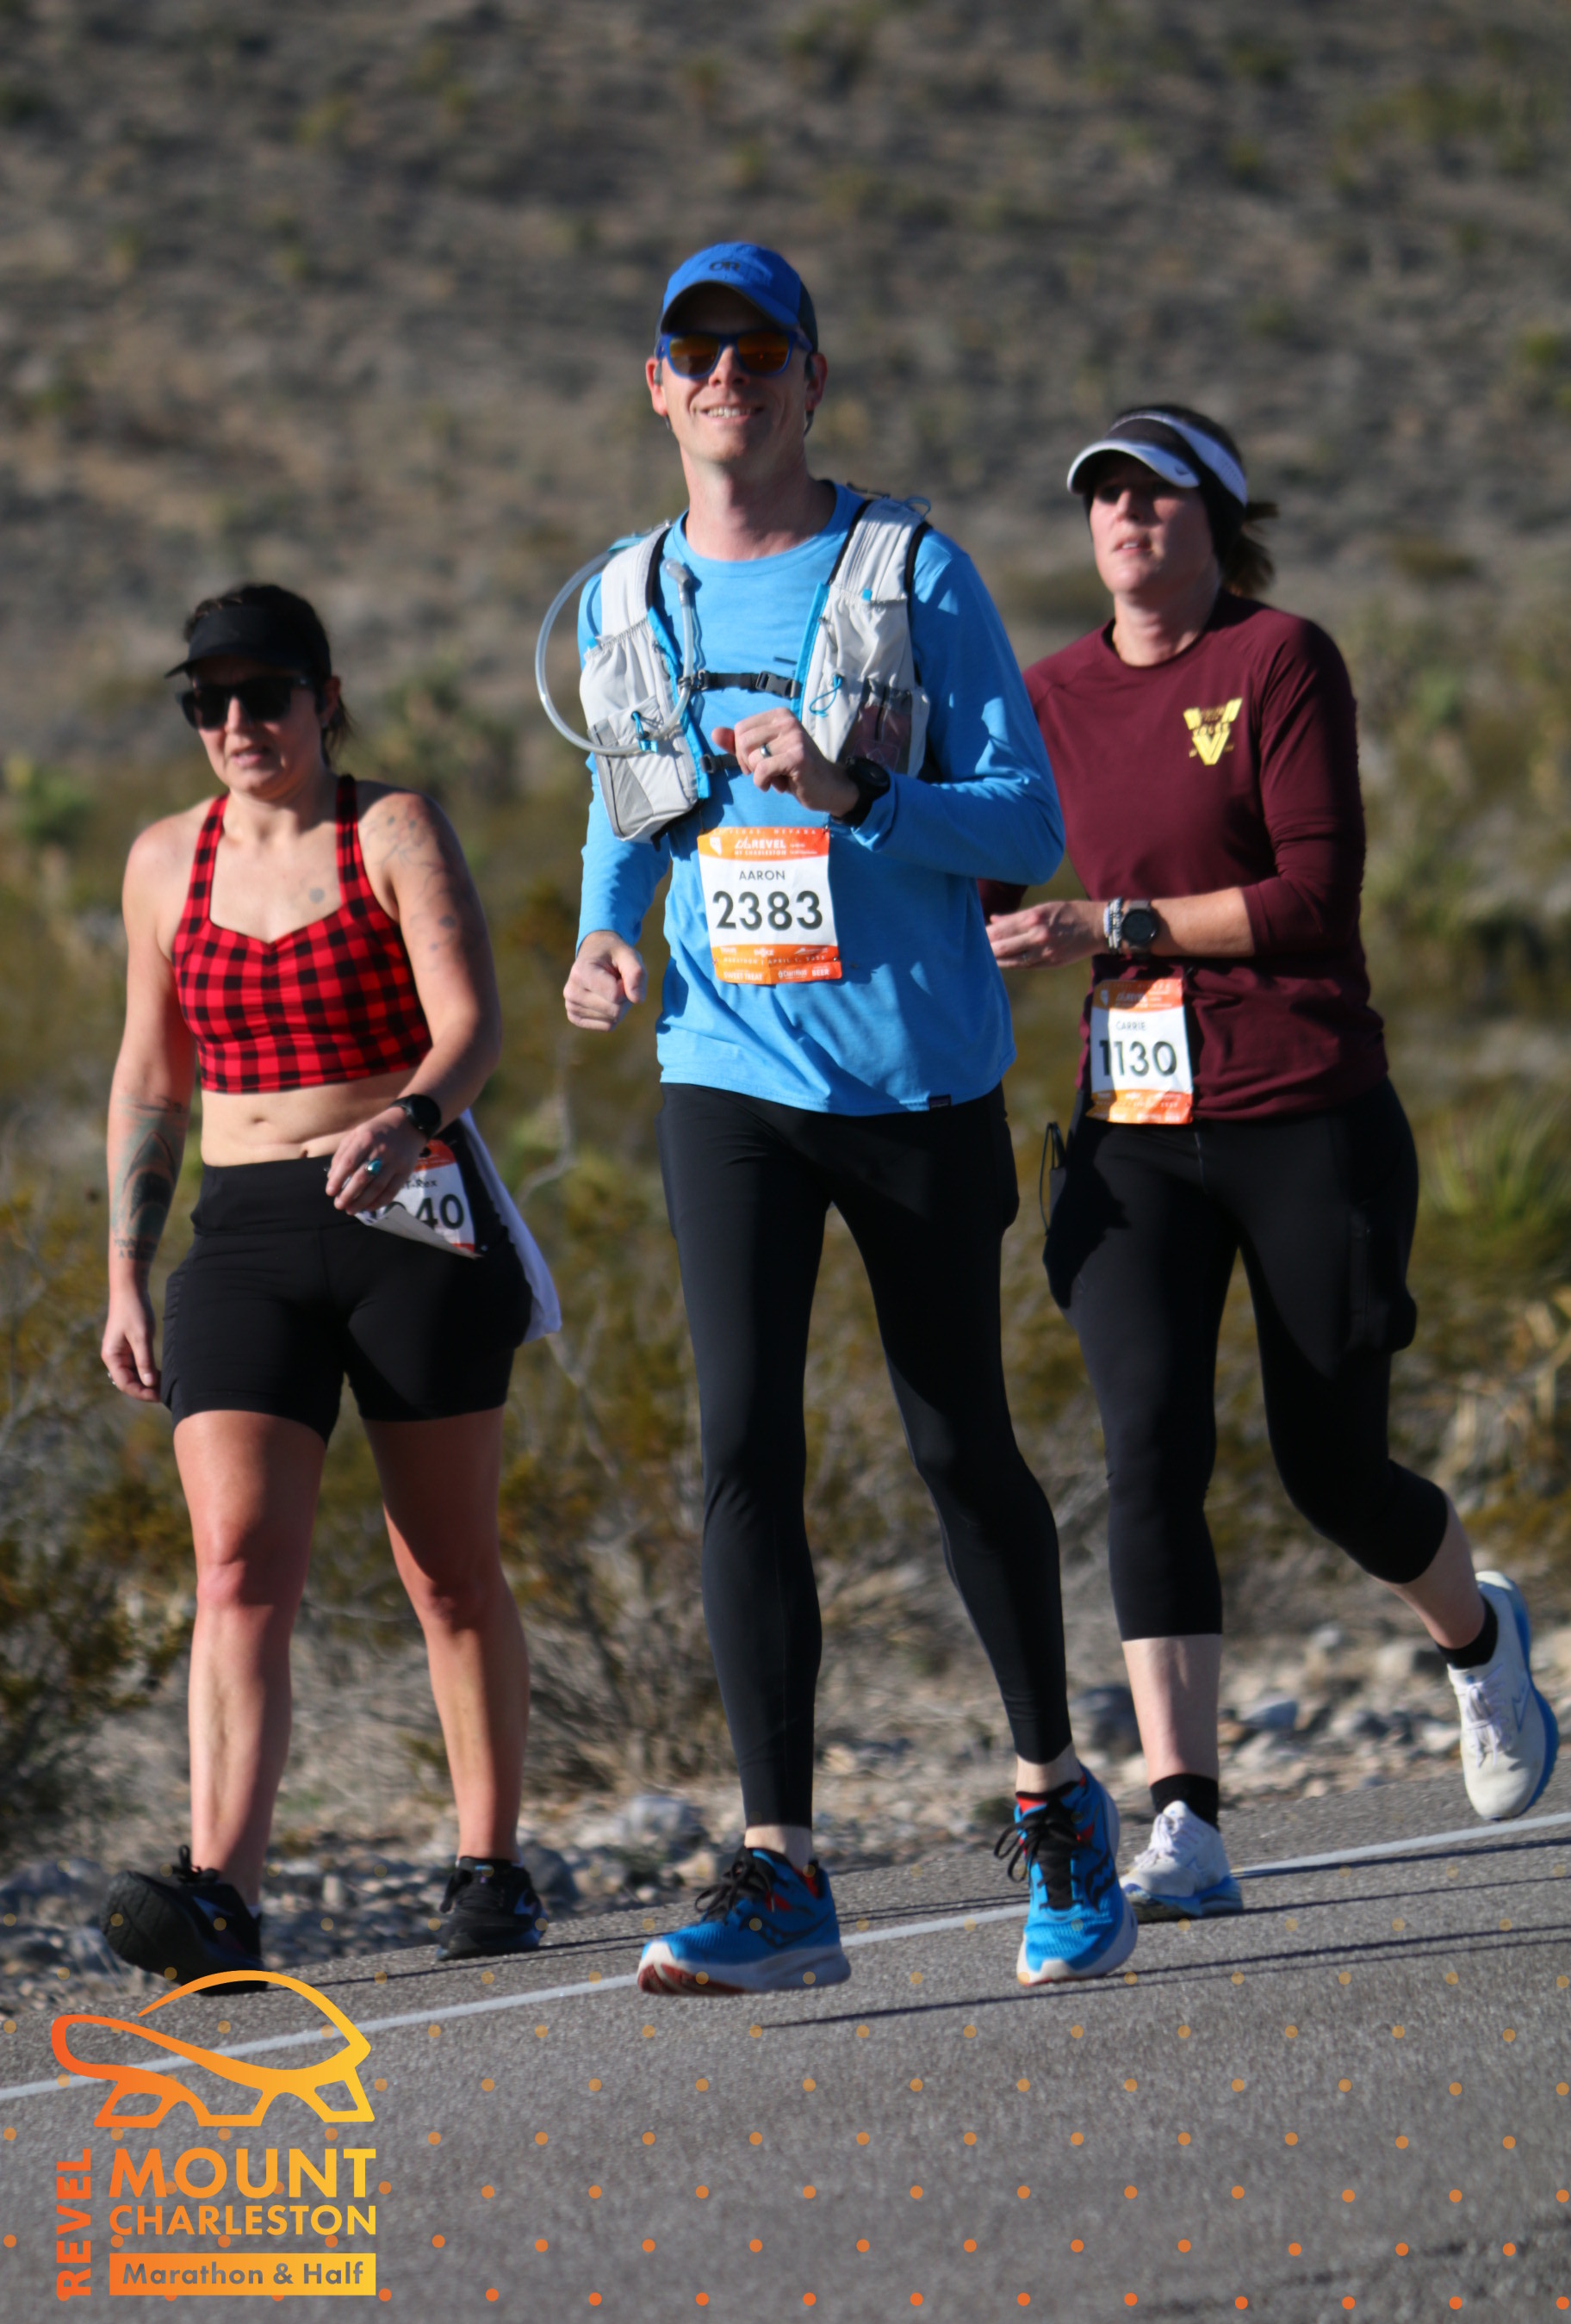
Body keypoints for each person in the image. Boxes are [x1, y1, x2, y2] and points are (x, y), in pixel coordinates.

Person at [558, 240, 1136, 1999]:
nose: (727, 378)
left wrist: (855, 787)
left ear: (811, 381)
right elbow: (625, 803)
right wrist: (603, 936)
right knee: (743, 1447)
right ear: (657, 386)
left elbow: (1025, 827)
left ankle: (1056, 1798)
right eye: (698, 351)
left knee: (959, 1442)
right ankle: (782, 1870)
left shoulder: (914, 571)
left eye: (762, 352)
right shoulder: (627, 593)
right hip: (725, 1073)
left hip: (912, 1078)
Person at [986, 406, 1560, 1922]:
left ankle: (1478, 1640)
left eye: (1157, 494)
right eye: (1104, 494)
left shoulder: (1281, 660)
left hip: (1306, 1109)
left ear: (1219, 522)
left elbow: (1314, 895)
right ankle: (1186, 1821)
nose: (1125, 516)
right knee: (1148, 1452)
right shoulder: (1048, 694)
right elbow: (976, 870)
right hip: (1135, 1129)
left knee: (1331, 1470)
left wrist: (1108, 925)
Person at [100, 581, 557, 1984]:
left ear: (325, 699)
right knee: (237, 1566)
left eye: (266, 694)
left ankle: (489, 1866)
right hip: (241, 1233)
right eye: (211, 701)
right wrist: (124, 1268)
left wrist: (411, 1118)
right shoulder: (164, 862)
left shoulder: (393, 829)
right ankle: (221, 1896)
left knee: (446, 1569)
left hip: (405, 1207)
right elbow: (150, 1080)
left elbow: (472, 1024)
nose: (238, 722)